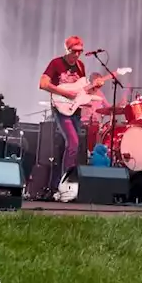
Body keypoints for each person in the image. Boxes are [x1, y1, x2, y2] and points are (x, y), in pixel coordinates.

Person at [38, 35, 100, 195]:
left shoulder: (80, 66)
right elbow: (43, 83)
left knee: (73, 145)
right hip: (61, 108)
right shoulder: (56, 63)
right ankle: (66, 182)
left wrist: (95, 87)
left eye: (80, 51)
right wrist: (64, 92)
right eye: (74, 51)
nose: (77, 55)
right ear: (67, 50)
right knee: (73, 142)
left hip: (75, 109)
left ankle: (58, 183)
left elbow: (82, 91)